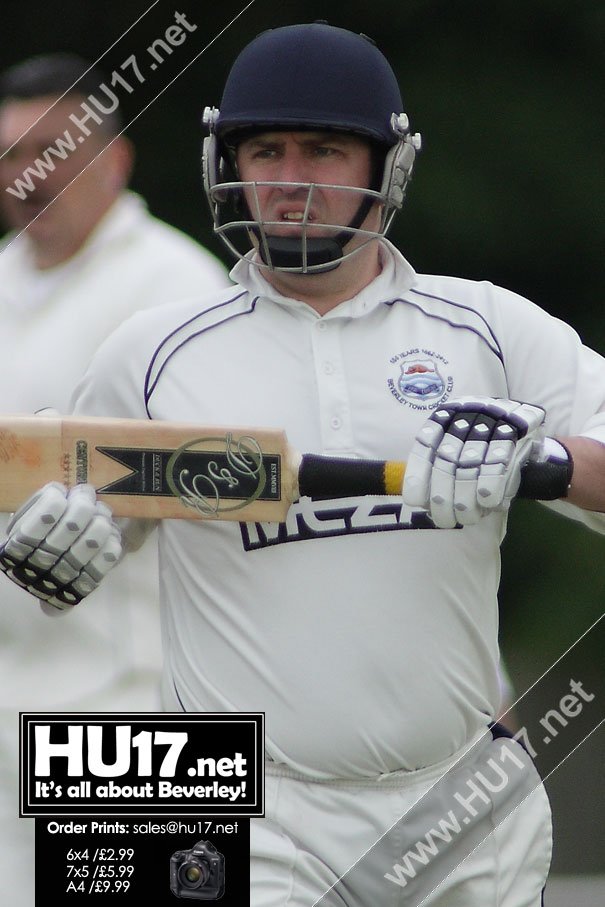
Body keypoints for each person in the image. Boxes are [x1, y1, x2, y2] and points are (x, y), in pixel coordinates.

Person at [2, 24, 605, 906]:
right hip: (248, 805)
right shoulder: (155, 351)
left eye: (323, 150)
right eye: (265, 150)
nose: (290, 178)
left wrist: (544, 459)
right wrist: (53, 546)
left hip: (460, 792)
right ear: (227, 164)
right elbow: (83, 529)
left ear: (388, 166)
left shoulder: (486, 328)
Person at [0, 52, 230, 906]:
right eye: (11, 155)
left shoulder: (176, 290)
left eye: (52, 150)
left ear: (115, 160)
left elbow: (222, 492)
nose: (29, 176)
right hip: (13, 701)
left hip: (143, 710)